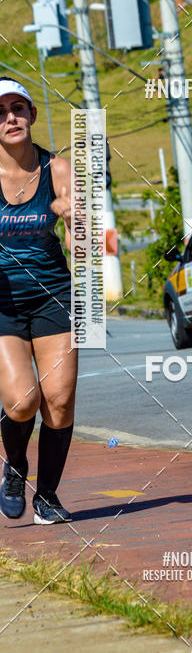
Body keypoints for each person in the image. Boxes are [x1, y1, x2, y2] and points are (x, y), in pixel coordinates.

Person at [0, 78, 76, 524]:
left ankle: (46, 497)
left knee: (60, 402)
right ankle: (14, 467)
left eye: (17, 107)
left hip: (54, 296)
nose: (10, 118)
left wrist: (74, 218)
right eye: (0, 112)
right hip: (3, 304)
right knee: (23, 400)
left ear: (30, 113)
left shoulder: (59, 170)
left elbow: (86, 249)